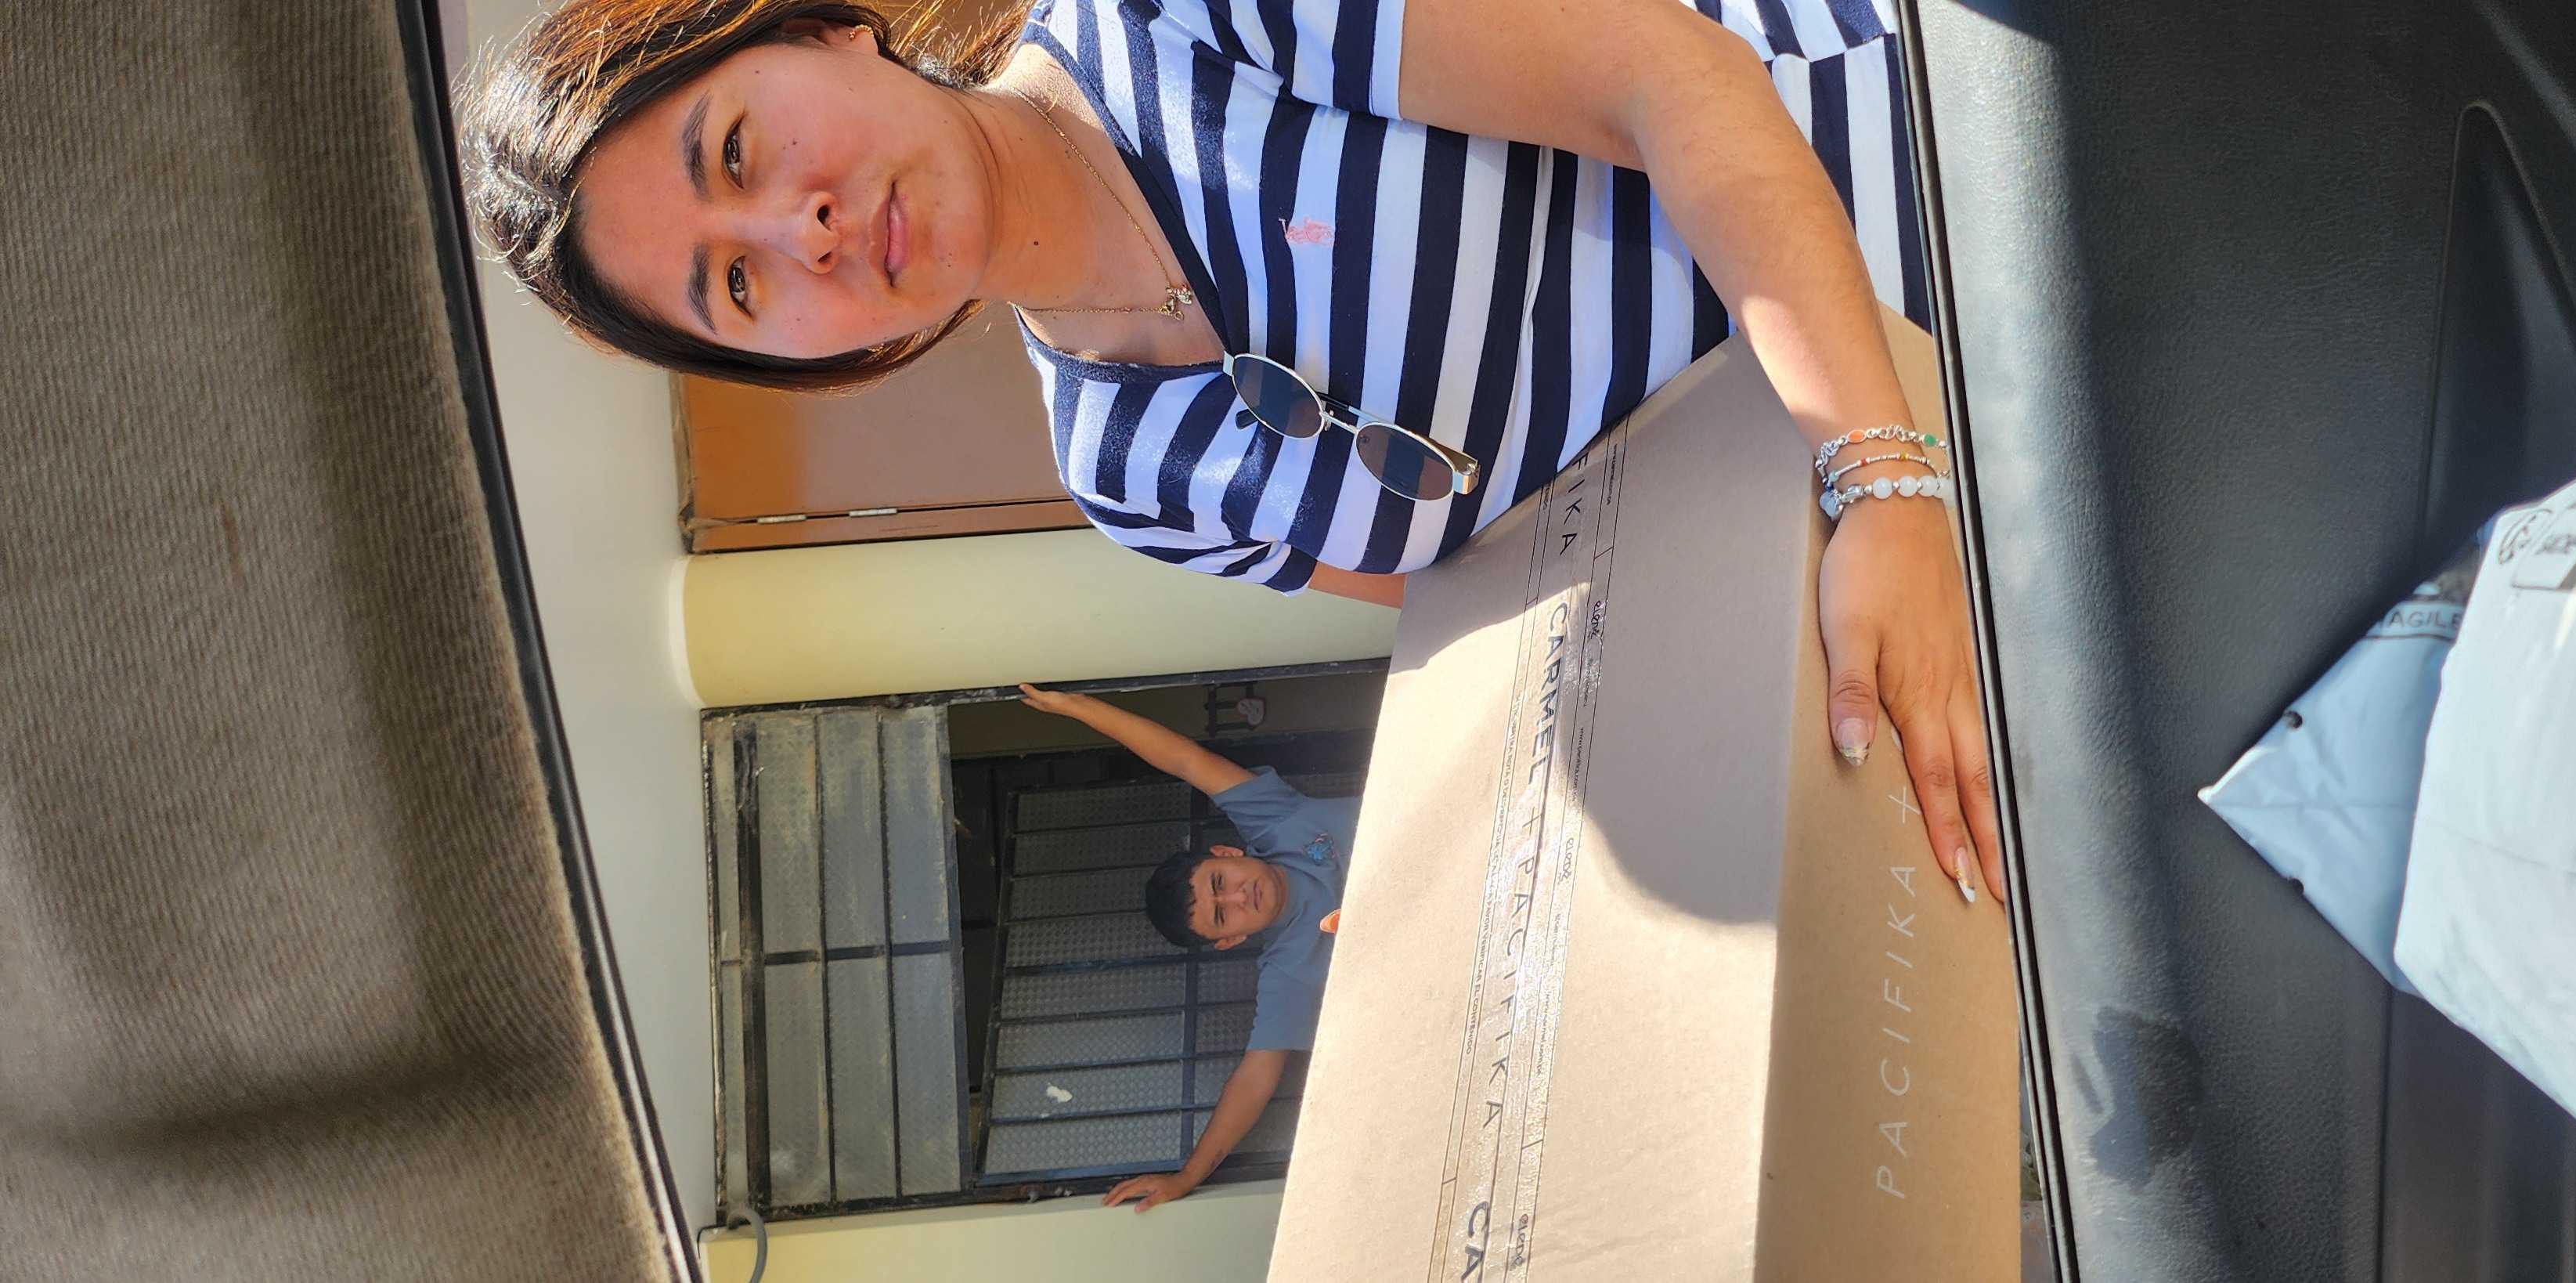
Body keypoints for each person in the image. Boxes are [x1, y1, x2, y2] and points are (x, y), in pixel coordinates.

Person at [462, 0, 2005, 902]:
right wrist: (1456, 877)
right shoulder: (1132, 479)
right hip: (1965, 546)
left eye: (737, 149)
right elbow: (1521, 613)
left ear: (817, 29)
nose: (795, 229)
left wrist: (1879, 480)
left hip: (1983, 198)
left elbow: (1669, 75)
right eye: (735, 289)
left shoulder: (1175, 20)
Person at [1014, 685, 1351, 1211]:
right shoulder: (1288, 975)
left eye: (1220, 881)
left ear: (1227, 853)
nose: (1238, 896)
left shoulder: (1273, 818)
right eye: (1222, 915)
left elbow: (1184, 759)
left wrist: (1076, 708)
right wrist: (1187, 1176)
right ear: (1231, 940)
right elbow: (1254, 1079)